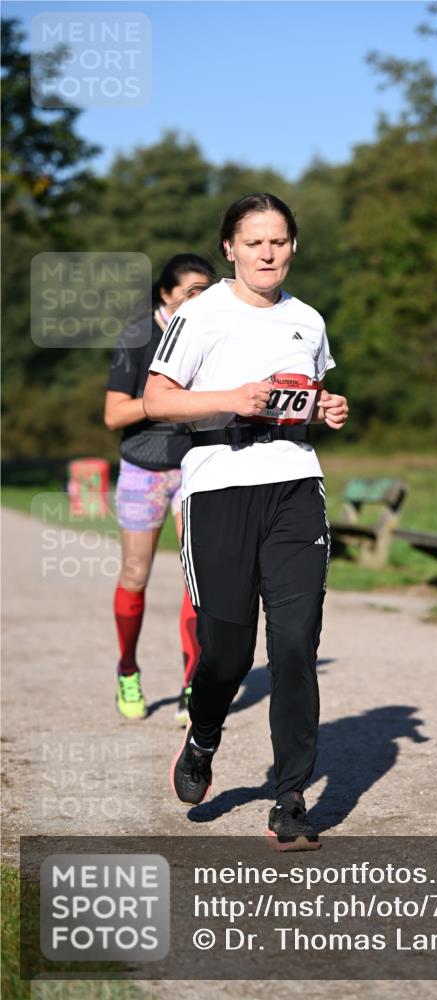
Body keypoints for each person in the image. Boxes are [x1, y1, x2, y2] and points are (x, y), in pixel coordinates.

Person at [144, 193, 349, 851]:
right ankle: (203, 738)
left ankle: (291, 800)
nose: (268, 253)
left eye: (279, 241)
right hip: (218, 488)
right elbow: (156, 400)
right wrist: (230, 399)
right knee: (226, 654)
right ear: (229, 248)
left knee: (294, 645)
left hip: (294, 486)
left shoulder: (308, 320)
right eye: (254, 241)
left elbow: (304, 396)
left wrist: (327, 408)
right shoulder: (199, 315)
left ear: (293, 247)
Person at [105, 254, 216, 722]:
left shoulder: (213, 335)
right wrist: (163, 403)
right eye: (192, 291)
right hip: (144, 467)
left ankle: (193, 684)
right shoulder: (137, 337)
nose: (201, 299)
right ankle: (128, 669)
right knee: (136, 575)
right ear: (165, 294)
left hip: (196, 465)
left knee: (200, 580)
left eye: (207, 291)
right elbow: (114, 415)